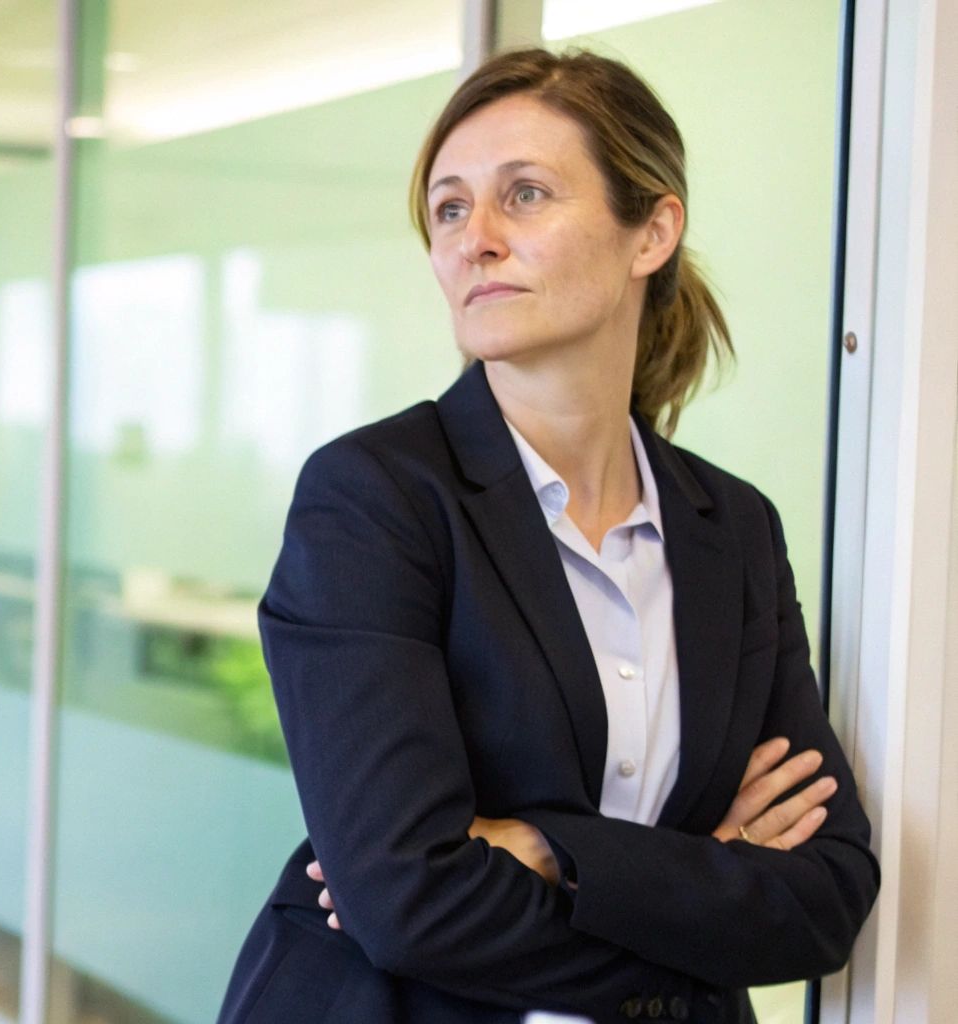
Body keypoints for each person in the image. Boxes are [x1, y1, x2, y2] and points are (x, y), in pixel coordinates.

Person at [216, 47, 879, 1024]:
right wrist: (696, 894)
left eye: (522, 195)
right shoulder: (373, 498)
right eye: (447, 208)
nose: (472, 239)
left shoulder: (729, 527)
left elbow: (823, 896)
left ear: (649, 230)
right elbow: (404, 902)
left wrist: (542, 845)